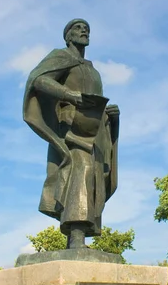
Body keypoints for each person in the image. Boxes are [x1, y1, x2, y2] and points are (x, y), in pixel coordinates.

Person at [22, 19, 119, 249]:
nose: (84, 30)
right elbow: (38, 80)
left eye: (86, 28)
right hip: (71, 128)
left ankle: (78, 237)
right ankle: (76, 236)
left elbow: (95, 102)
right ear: (67, 36)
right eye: (77, 27)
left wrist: (111, 116)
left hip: (95, 131)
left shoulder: (93, 70)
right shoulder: (61, 56)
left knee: (93, 177)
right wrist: (69, 95)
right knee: (80, 170)